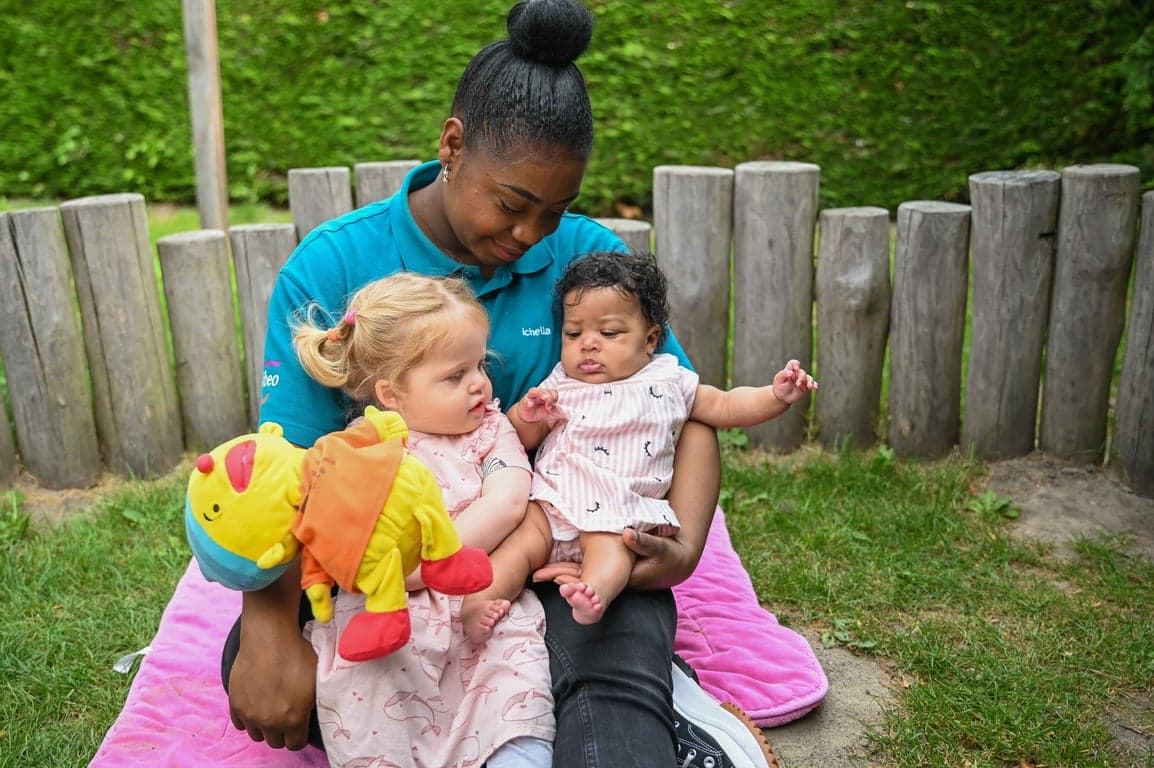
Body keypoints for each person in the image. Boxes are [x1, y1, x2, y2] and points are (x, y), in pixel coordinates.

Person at [221, 1, 751, 765]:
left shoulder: (590, 259)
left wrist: (688, 548)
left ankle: (637, 705)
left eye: (555, 210)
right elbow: (281, 469)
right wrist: (270, 631)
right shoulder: (333, 266)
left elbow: (684, 409)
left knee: (611, 673)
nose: (533, 234)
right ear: (452, 144)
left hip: (557, 545)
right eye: (512, 205)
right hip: (391, 566)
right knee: (265, 667)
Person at [461, 251, 817, 633]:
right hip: (552, 501)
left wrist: (775, 396)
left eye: (609, 333)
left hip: (618, 509)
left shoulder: (670, 380)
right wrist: (529, 415)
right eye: (573, 333)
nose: (588, 345)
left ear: (650, 339)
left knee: (612, 550)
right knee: (516, 548)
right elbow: (521, 436)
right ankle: (477, 605)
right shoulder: (562, 382)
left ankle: (592, 594)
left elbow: (727, 406)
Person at [293, 272, 554, 766]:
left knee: (512, 690)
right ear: (391, 395)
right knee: (372, 702)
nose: (478, 383)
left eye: (479, 364)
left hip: (478, 603)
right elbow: (341, 534)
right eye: (455, 376)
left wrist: (430, 561)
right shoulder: (360, 450)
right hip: (388, 618)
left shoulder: (491, 432)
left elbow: (508, 500)